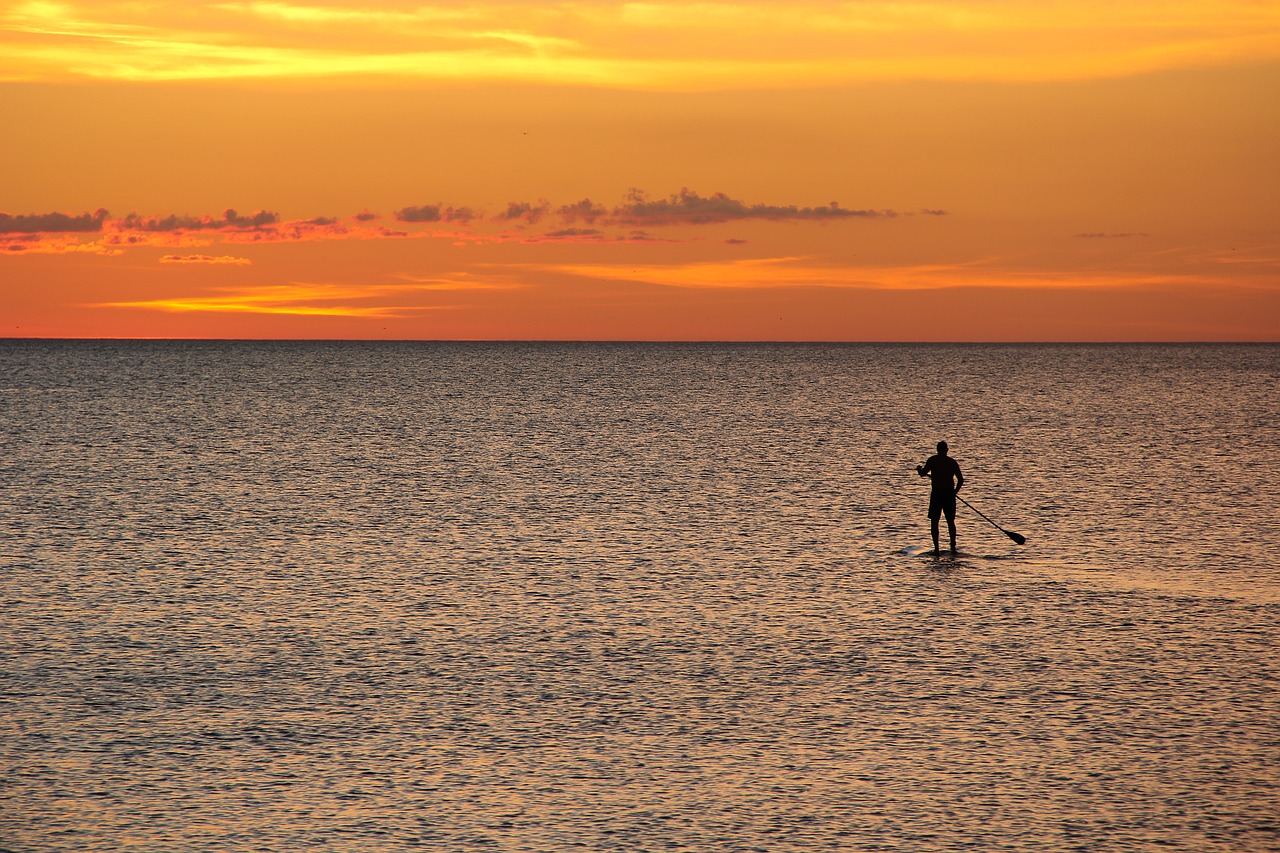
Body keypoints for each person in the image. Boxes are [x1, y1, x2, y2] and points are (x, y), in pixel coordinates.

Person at [917, 441, 964, 556]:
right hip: (949, 495)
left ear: (937, 450)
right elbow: (961, 480)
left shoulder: (933, 460)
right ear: (947, 450)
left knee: (934, 522)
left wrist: (918, 469)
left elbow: (923, 473)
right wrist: (954, 492)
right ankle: (953, 548)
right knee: (950, 521)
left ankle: (937, 549)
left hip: (937, 494)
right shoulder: (952, 462)